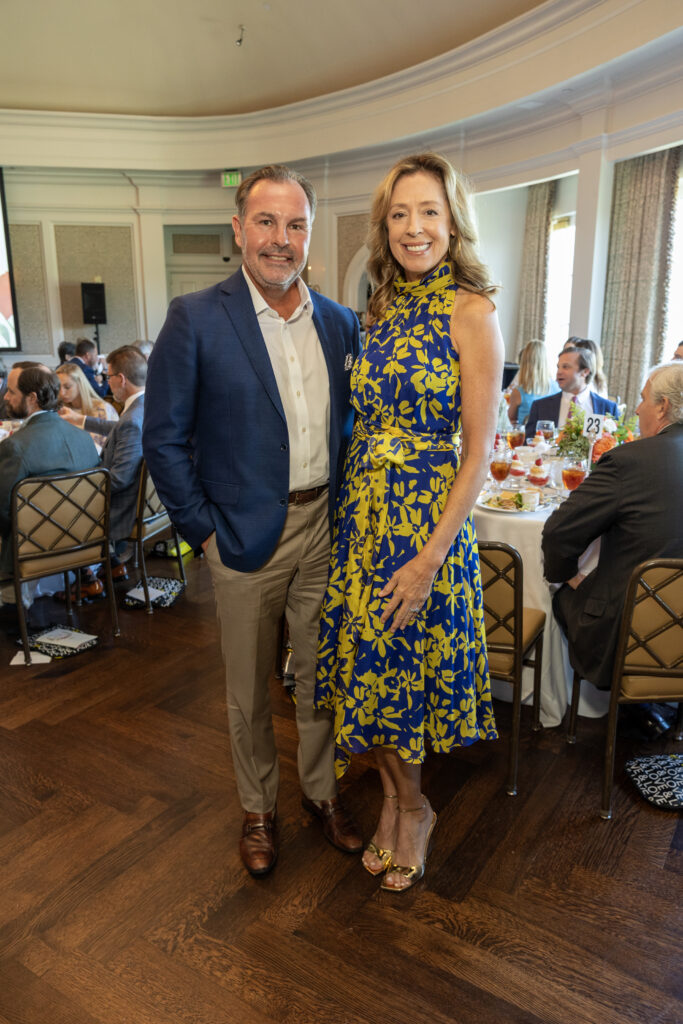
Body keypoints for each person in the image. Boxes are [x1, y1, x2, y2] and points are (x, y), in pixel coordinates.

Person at [142, 164, 362, 877]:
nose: (280, 239)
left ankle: (321, 794)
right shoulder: (196, 316)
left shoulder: (339, 322)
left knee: (321, 676)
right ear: (239, 230)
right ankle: (258, 809)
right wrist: (202, 531)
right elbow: (162, 439)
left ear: (309, 234)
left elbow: (349, 429)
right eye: (266, 222)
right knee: (247, 690)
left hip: (323, 527)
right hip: (239, 538)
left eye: (295, 225)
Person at [316, 152, 502, 893]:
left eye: (428, 211)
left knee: (405, 676)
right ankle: (397, 800)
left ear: (452, 222)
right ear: (384, 227)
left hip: (425, 529)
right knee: (369, 672)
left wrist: (428, 558)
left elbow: (479, 453)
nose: (413, 227)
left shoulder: (472, 311)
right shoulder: (379, 307)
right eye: (399, 214)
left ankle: (416, 809)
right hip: (363, 521)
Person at [542, 361, 683, 699]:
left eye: (643, 399)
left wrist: (568, 576)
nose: (636, 409)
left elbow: (558, 533)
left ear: (662, 406)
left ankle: (564, 701)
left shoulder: (629, 460)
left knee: (556, 589)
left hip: (628, 632)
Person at [0, 365, 99, 622]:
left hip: (34, 552)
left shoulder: (15, 446)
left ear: (32, 398)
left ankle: (11, 603)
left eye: (11, 392)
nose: (5, 397)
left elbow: (3, 511)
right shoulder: (84, 439)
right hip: (85, 544)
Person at [60, 346, 146, 568]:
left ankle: (88, 572)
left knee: (58, 506)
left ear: (121, 379)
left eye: (109, 377)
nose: (107, 382)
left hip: (119, 509)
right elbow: (118, 429)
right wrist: (80, 420)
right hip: (141, 503)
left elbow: (119, 479)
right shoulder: (145, 406)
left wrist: (79, 487)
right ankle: (108, 565)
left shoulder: (132, 420)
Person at [525, 347, 618, 440]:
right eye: (558, 367)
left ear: (585, 372)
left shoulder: (608, 408)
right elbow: (529, 443)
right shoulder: (540, 406)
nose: (559, 372)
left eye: (565, 367)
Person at [57, 360, 118, 449]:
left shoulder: (102, 409)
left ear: (80, 384)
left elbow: (107, 445)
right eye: (58, 387)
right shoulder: (60, 410)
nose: (62, 393)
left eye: (67, 387)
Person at [507, 339, 557, 424]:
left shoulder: (519, 392)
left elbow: (511, 419)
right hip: (550, 431)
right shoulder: (557, 388)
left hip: (527, 432)